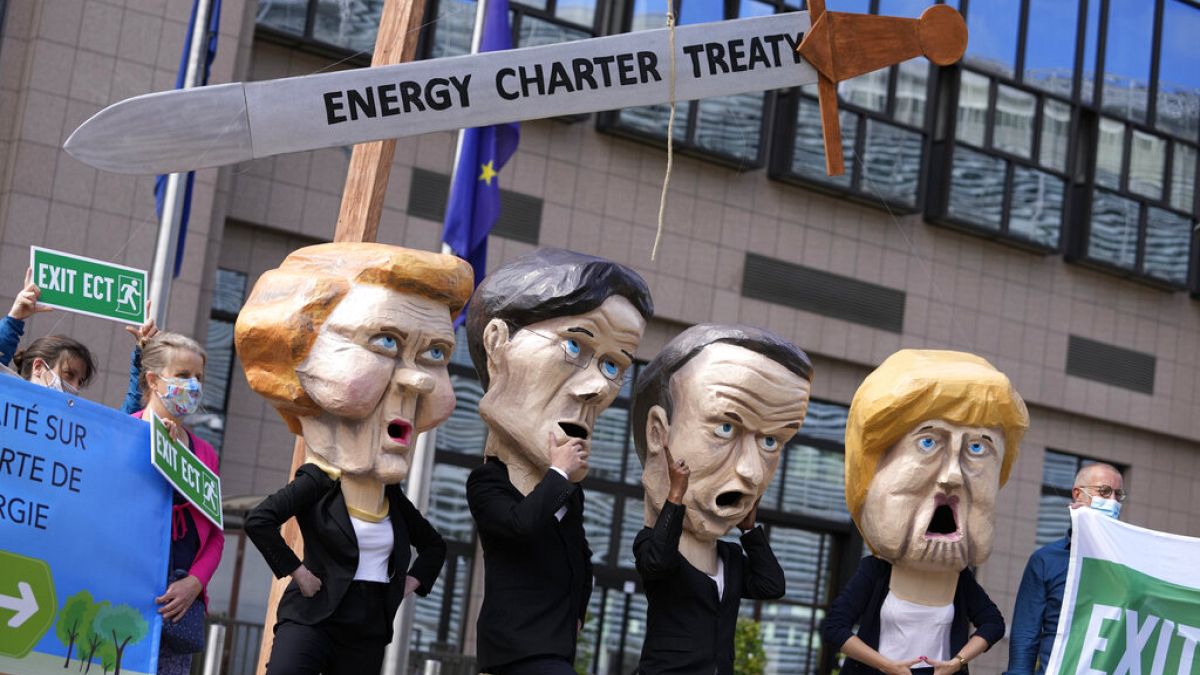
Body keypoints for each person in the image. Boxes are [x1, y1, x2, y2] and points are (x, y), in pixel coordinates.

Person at [239, 243, 472, 674]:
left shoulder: (394, 501)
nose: (418, 378)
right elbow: (260, 521)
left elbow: (435, 546)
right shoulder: (319, 482)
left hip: (367, 625)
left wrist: (407, 585)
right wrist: (298, 573)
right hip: (315, 615)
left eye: (436, 353)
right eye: (385, 341)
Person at [465, 248, 653, 675]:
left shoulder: (568, 491)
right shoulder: (487, 483)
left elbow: (578, 555)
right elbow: (519, 527)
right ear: (498, 345)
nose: (598, 388)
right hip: (515, 650)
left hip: (556, 647)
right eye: (574, 345)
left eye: (612, 365)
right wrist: (557, 474)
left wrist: (578, 610)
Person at [823, 350, 1026, 674]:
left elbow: (993, 624)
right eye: (928, 443)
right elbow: (835, 628)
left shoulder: (959, 580)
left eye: (977, 448)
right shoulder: (875, 573)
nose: (952, 476)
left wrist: (956, 662)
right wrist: (887, 666)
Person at [630, 324, 811, 674]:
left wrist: (749, 531)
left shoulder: (728, 559)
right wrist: (676, 496)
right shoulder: (649, 545)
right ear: (658, 434)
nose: (753, 473)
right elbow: (658, 564)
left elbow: (771, 585)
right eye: (725, 428)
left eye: (771, 442)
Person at [130, 331, 224, 675]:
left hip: (179, 608)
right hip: (126, 596)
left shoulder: (205, 453)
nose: (193, 385)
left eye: (198, 377)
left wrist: (195, 583)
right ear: (154, 380)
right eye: (183, 376)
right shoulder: (126, 433)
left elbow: (215, 535)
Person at [1003, 462, 1125, 675]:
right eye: (1104, 492)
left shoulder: (1129, 562)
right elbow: (1026, 635)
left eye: (1118, 495)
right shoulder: (1046, 560)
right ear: (1078, 495)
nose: (1113, 501)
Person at [3, 268, 96, 392]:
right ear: (38, 367)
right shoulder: (7, 397)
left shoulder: (66, 411)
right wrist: (13, 321)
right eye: (69, 374)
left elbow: (117, 413)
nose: (75, 388)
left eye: (80, 382)